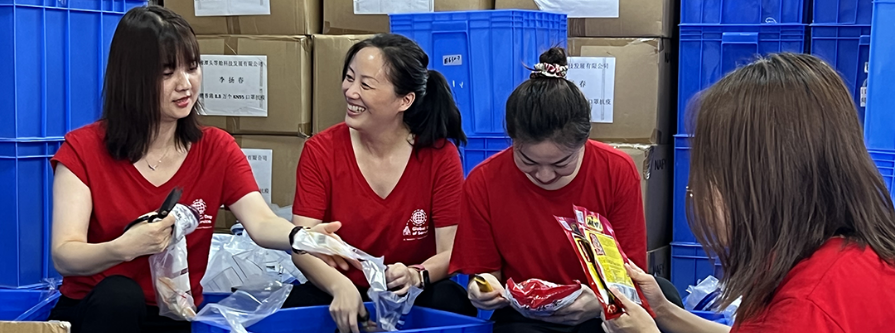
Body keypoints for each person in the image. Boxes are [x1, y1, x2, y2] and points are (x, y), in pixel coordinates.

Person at [46, 6, 351, 333]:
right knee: (120, 295)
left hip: (171, 313)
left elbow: (261, 223)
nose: (185, 84)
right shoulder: (84, 149)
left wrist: (299, 236)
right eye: (167, 73)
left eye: (192, 67)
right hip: (95, 313)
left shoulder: (216, 148)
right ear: (131, 77)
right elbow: (65, 255)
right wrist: (124, 247)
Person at [602, 53, 895, 333]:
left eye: (709, 171)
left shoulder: (804, 307)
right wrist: (665, 313)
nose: (698, 190)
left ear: (757, 180)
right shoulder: (852, 255)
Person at [449, 47, 682, 333]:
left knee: (664, 294)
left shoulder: (615, 170)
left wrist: (599, 302)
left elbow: (630, 271)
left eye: (562, 163)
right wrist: (481, 288)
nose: (544, 175)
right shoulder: (483, 182)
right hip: (526, 320)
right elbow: (485, 273)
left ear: (584, 142)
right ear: (512, 141)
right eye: (527, 161)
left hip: (603, 310)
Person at [284, 33, 477, 333]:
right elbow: (302, 245)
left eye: (366, 84)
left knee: (452, 301)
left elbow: (451, 251)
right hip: (340, 289)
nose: (350, 91)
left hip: (410, 293)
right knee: (295, 308)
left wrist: (416, 275)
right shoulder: (320, 151)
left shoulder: (439, 156)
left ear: (405, 100)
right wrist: (339, 286)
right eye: (349, 78)